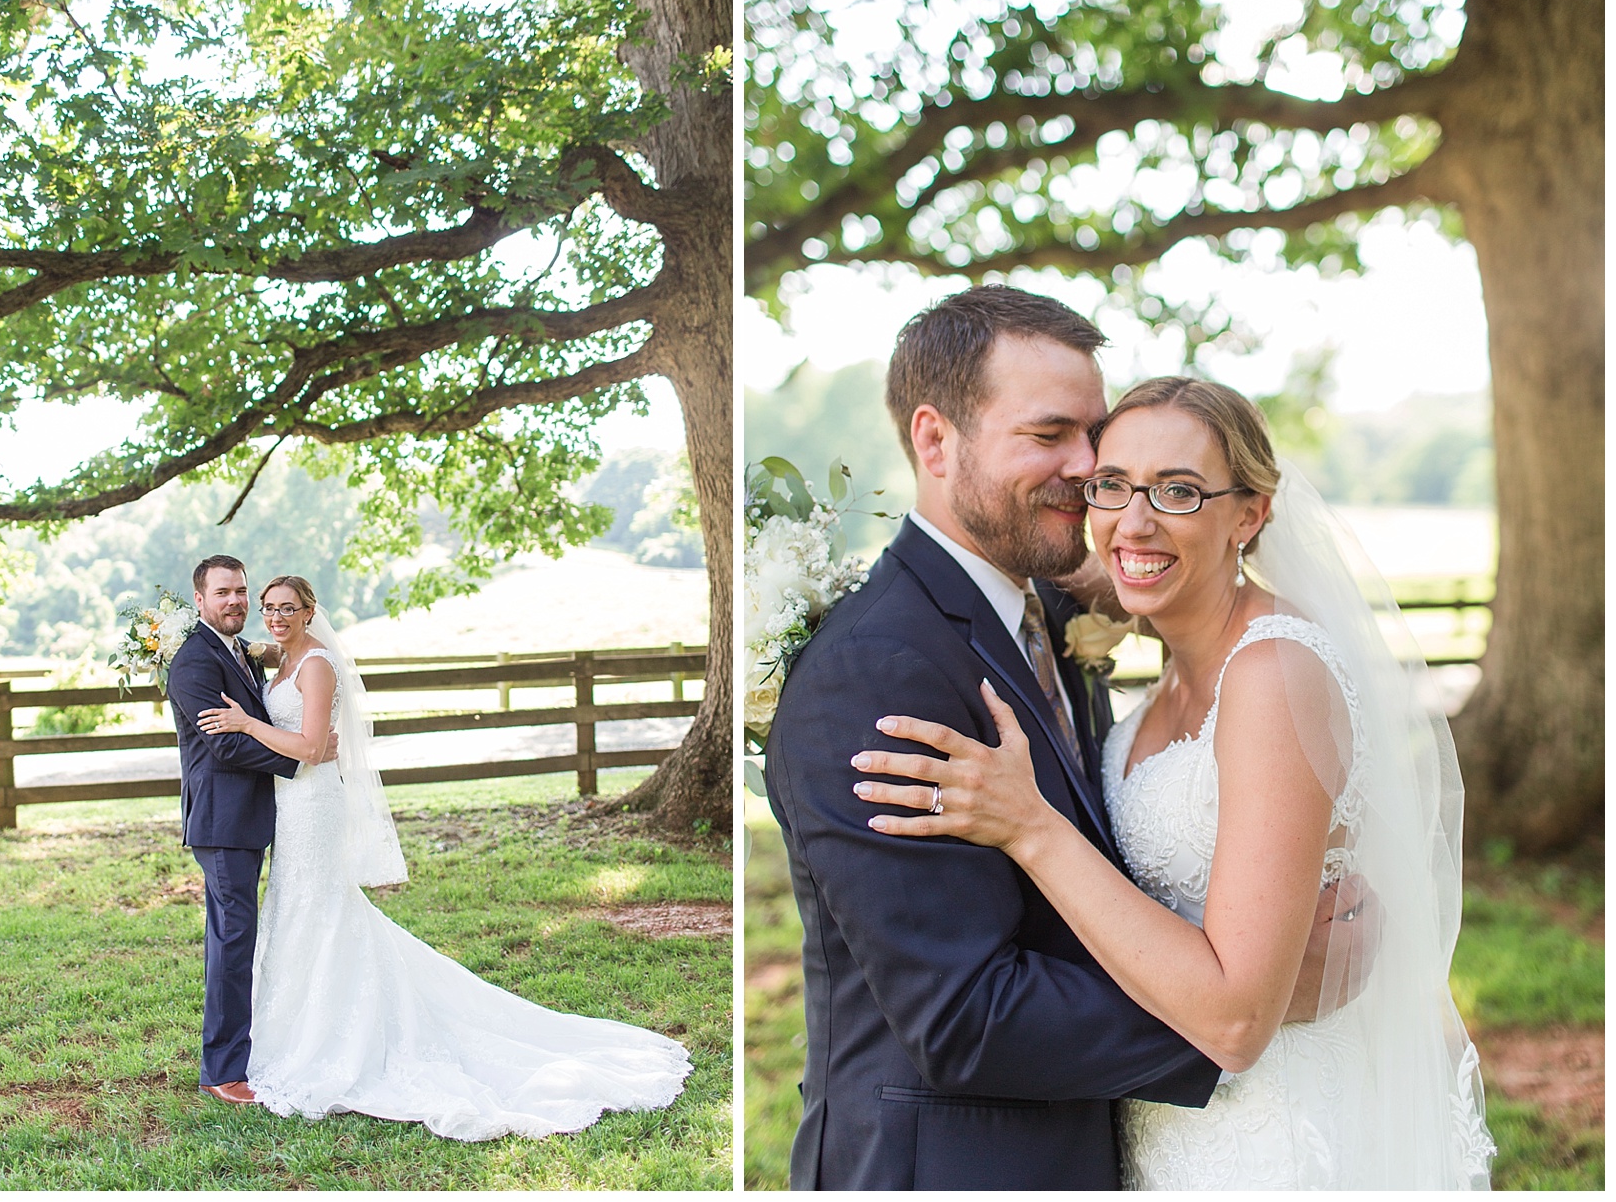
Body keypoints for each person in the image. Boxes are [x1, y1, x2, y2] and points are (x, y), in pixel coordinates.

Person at [763, 287, 1366, 1190]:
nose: (1089, 470)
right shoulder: (876, 670)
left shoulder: (1050, 613)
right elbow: (965, 1014)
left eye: (1096, 437)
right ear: (935, 441)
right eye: (1051, 437)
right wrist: (1253, 1002)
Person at [856, 377, 1496, 1188]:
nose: (1133, 519)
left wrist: (1030, 825)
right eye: (1112, 484)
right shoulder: (1170, 667)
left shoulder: (1271, 672)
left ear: (1250, 513)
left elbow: (1233, 1022)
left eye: (1179, 491)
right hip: (1168, 1124)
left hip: (1272, 1138)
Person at [196, 574, 692, 1138]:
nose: (276, 615)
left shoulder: (315, 665)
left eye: (288, 607)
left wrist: (245, 722)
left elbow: (311, 747)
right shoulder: (281, 658)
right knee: (296, 907)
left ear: (311, 610)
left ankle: (333, 1040)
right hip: (290, 803)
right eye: (268, 607)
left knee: (321, 907)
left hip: (313, 802)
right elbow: (247, 655)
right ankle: (290, 1031)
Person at [164, 554, 306, 1105]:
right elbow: (224, 742)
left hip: (248, 816)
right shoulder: (195, 663)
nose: (236, 602)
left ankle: (236, 1056)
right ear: (199, 600)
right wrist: (302, 759)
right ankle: (223, 1071)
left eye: (242, 591)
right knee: (231, 943)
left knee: (237, 936)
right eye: (223, 593)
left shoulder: (237, 651)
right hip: (222, 821)